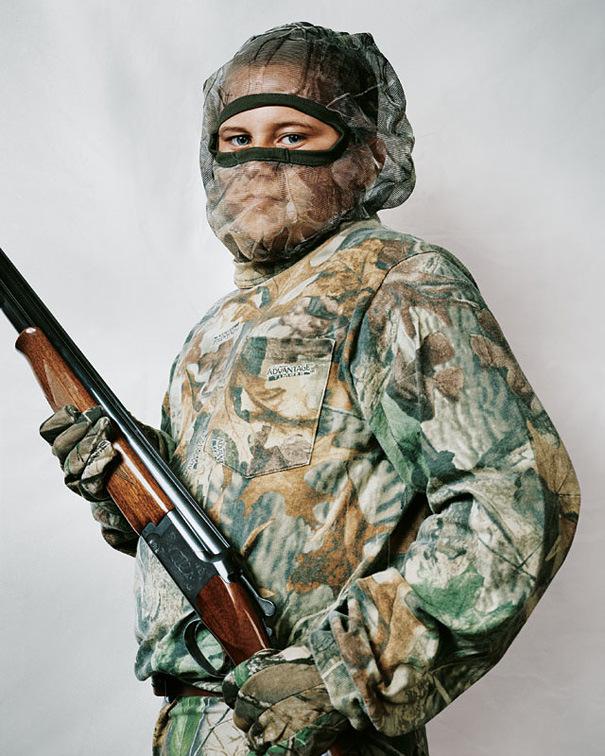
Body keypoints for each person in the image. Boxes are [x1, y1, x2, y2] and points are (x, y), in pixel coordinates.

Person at [39, 22, 580, 756]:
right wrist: (123, 479)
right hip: (191, 728)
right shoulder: (214, 332)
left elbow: (514, 500)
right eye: (236, 140)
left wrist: (344, 672)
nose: (258, 163)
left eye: (292, 136)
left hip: (320, 729)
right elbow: (233, 531)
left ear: (367, 153)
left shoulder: (397, 281)